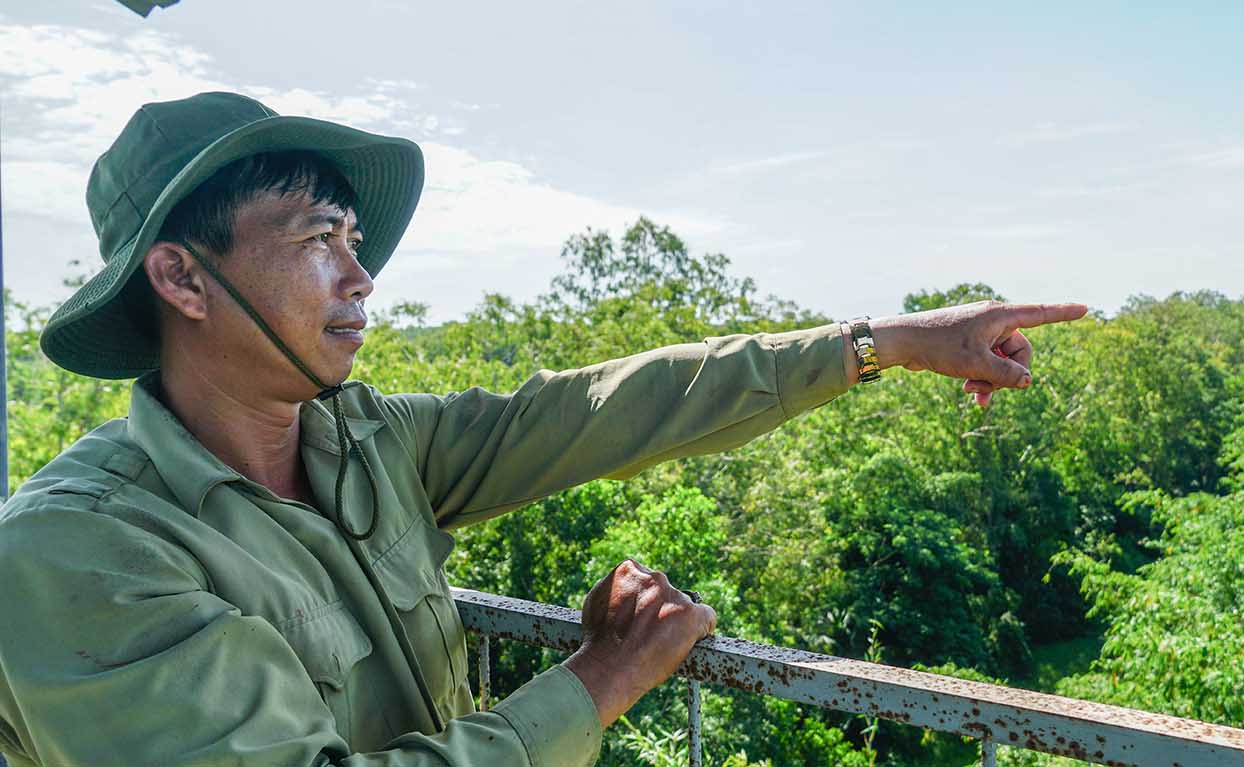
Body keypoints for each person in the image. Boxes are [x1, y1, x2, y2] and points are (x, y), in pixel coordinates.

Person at [0, 92, 1086, 767]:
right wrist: (600, 679)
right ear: (183, 277)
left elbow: (591, 410)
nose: (361, 274)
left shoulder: (362, 438)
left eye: (356, 234)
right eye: (318, 236)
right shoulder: (79, 553)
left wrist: (880, 341)